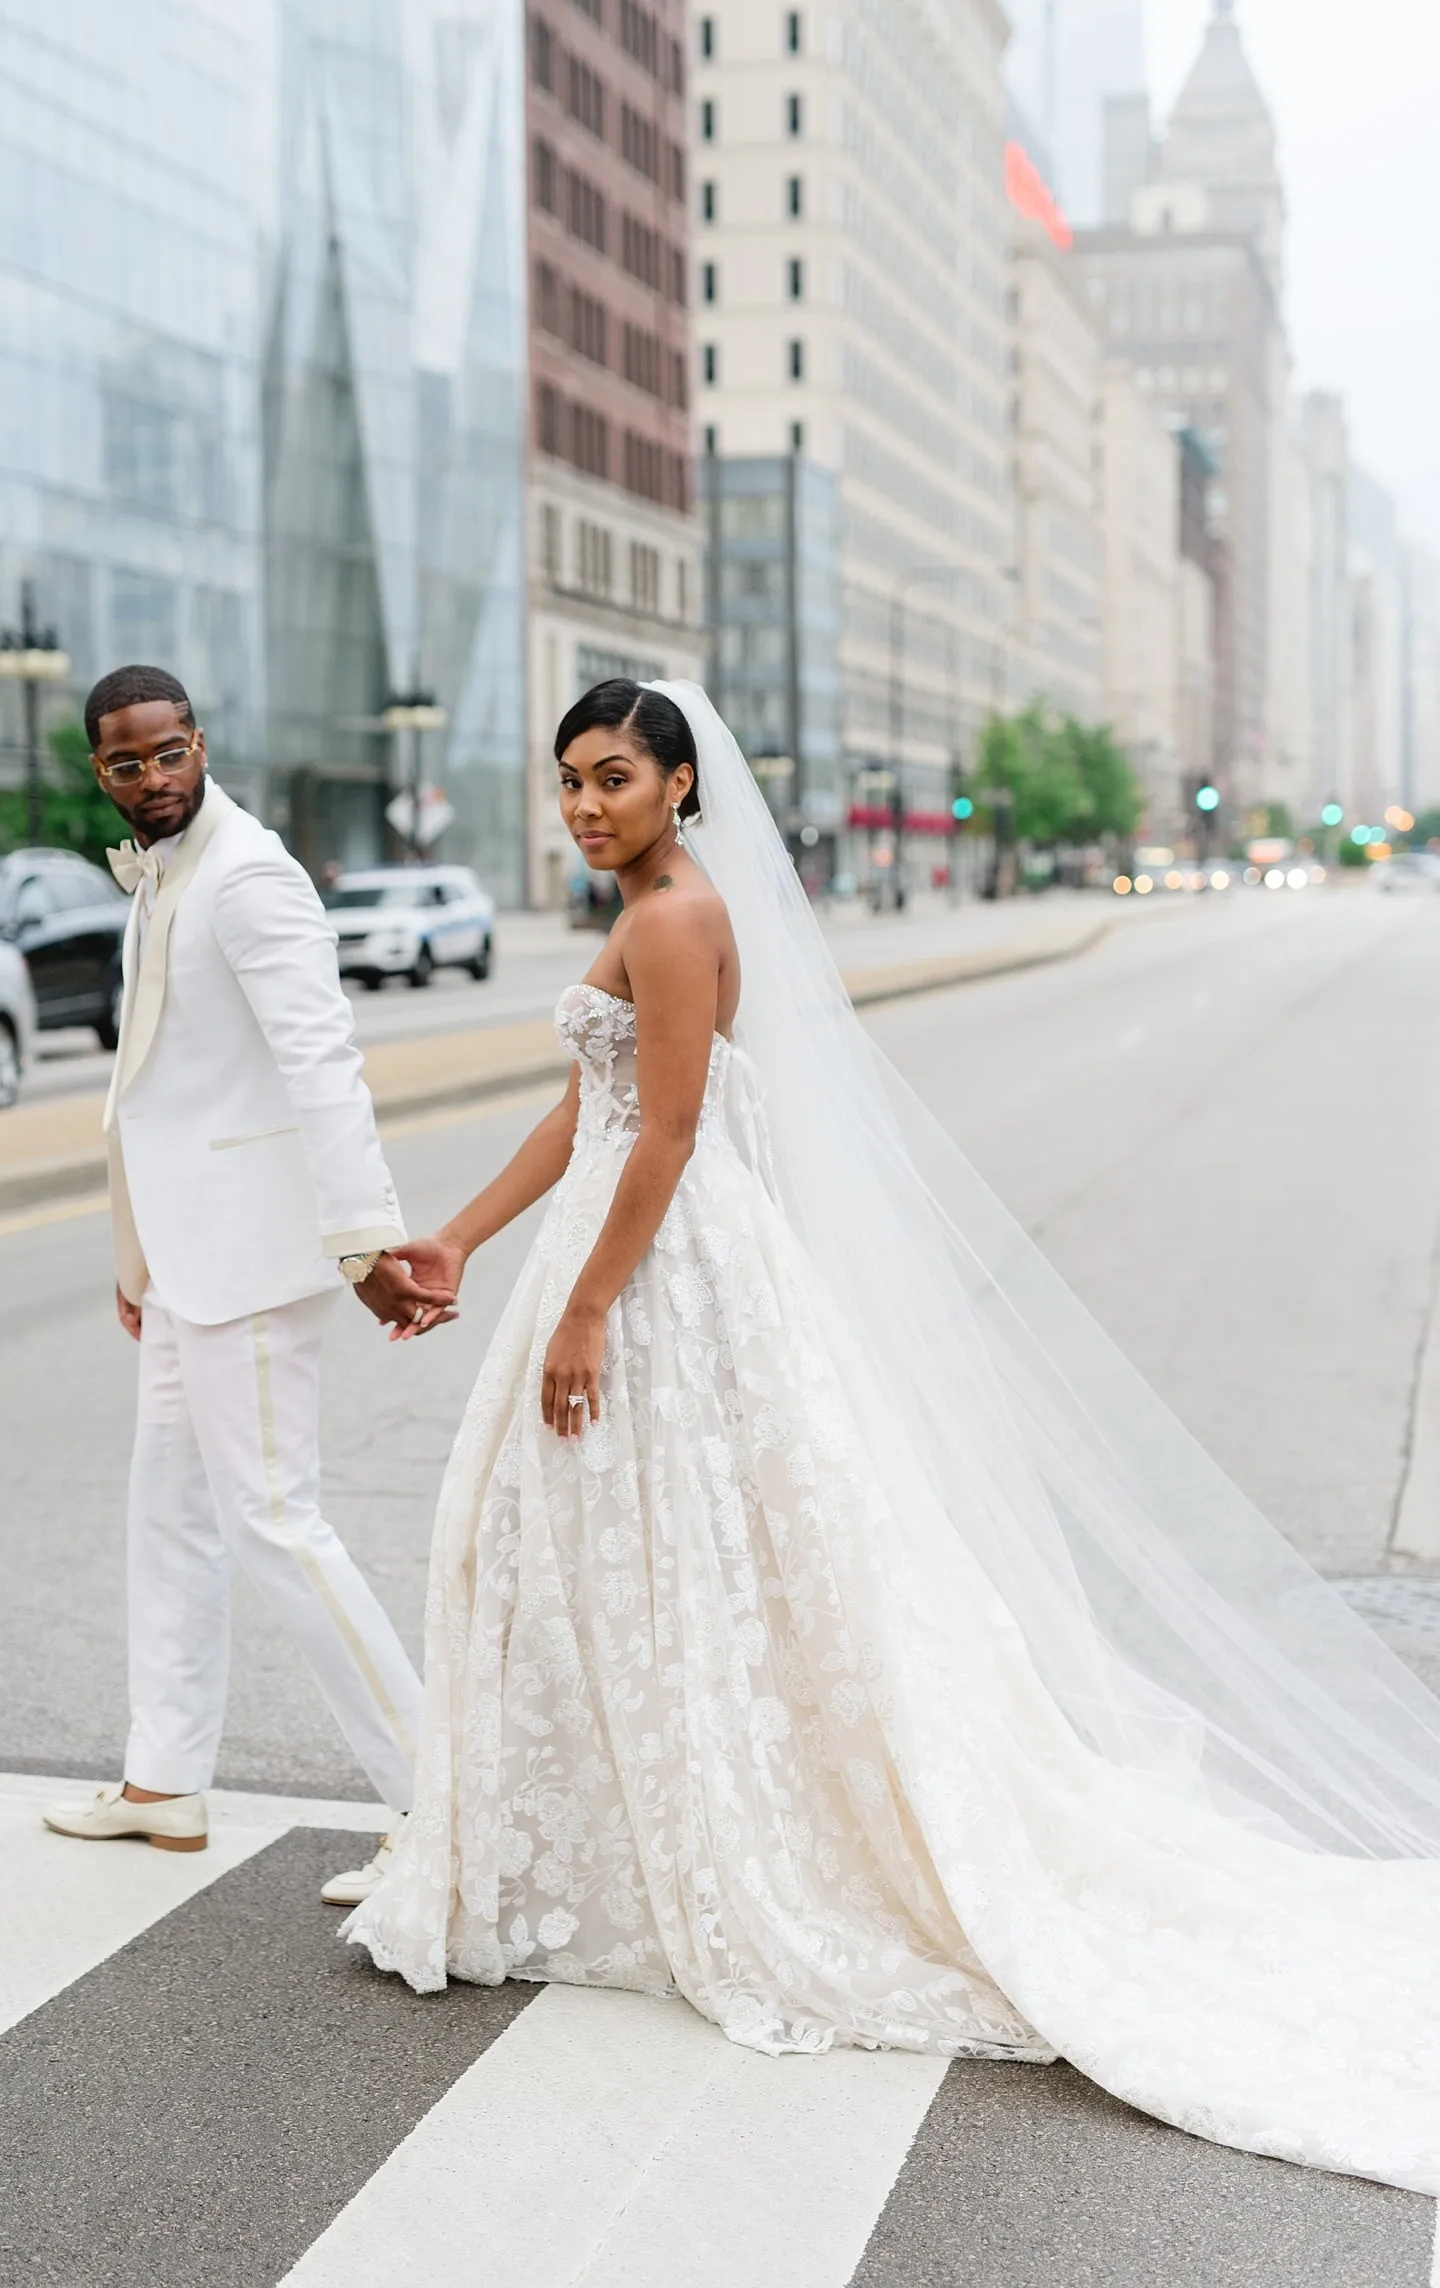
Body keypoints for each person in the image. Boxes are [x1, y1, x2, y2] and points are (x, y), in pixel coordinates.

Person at [350, 678, 1440, 2197]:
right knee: (628, 1552)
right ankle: (602, 1827)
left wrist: (589, 1307)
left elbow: (664, 1137)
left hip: (659, 1269)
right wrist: (459, 1241)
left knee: (660, 1548)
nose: (586, 805)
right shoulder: (656, 903)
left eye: (612, 778)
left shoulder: (673, 918)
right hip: (642, 1251)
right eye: (569, 784)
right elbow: (585, 1109)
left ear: (678, 784)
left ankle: (678, 1842)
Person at [43, 665, 450, 1903]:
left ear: (200, 743)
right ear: (100, 770)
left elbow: (323, 1063)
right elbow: (153, 1087)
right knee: (164, 1502)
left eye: (169, 753)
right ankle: (165, 1777)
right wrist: (140, 1256)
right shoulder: (164, 872)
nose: (153, 777)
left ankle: (439, 1806)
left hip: (263, 1259)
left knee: (275, 1519)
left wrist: (363, 1241)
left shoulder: (253, 875)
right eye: (127, 762)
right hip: (187, 1260)